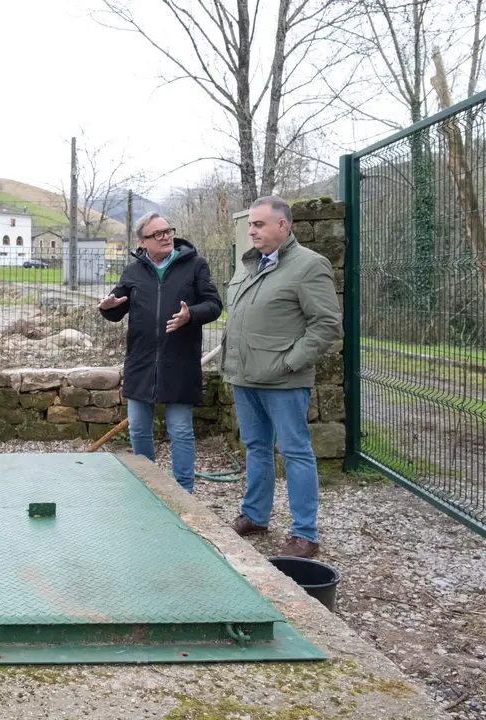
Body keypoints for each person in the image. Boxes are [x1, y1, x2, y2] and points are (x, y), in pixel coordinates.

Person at [220, 195, 342, 558]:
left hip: (284, 381)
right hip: (246, 377)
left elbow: (326, 324)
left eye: (258, 224)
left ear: (282, 226)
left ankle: (304, 534)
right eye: (250, 225)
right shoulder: (248, 264)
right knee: (256, 448)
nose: (252, 231)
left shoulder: (309, 266)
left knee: (295, 452)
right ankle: (256, 516)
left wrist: (290, 362)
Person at [98, 213, 224, 493]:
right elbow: (117, 308)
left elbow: (214, 305)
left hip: (179, 361)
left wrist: (191, 314)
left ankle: (184, 492)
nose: (166, 236)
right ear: (142, 242)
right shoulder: (132, 271)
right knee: (139, 430)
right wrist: (108, 307)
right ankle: (147, 487)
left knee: (180, 431)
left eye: (168, 231)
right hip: (141, 362)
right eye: (158, 234)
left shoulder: (194, 265)